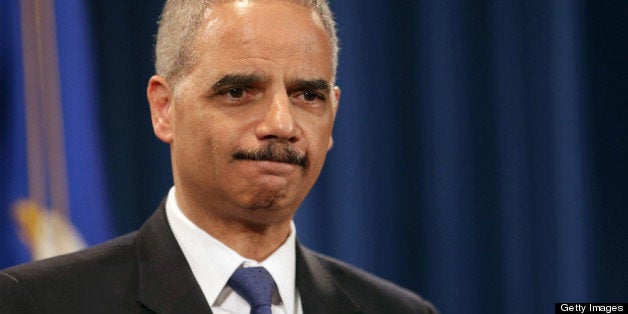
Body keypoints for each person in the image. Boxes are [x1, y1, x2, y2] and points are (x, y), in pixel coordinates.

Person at [0, 1, 438, 313]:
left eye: (308, 95)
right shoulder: (38, 303)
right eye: (238, 91)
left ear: (334, 114)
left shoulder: (400, 310)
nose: (282, 124)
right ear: (164, 108)